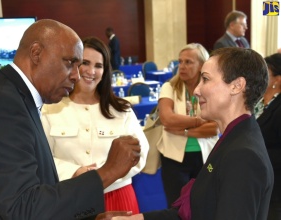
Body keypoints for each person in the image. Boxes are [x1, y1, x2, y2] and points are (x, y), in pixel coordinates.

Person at [0, 19, 141, 220]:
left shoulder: (17, 98)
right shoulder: (2, 105)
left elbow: (36, 191)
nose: (76, 76)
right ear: (36, 53)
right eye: (70, 63)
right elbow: (23, 208)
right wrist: (107, 172)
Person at [112, 47, 274, 220]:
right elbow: (194, 212)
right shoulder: (234, 139)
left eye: (205, 79)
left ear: (236, 86)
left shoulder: (243, 155)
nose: (197, 90)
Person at [41, 36, 149, 214]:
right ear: (74, 65)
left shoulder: (121, 110)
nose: (91, 71)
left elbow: (141, 154)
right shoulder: (50, 109)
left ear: (105, 71)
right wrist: (75, 172)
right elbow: (42, 158)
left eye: (99, 66)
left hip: (117, 197)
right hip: (70, 199)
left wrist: (107, 174)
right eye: (85, 62)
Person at [157, 43, 219, 207]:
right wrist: (199, 121)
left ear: (201, 66)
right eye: (180, 61)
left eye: (188, 62)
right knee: (178, 206)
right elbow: (167, 119)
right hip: (174, 158)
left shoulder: (211, 89)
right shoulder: (169, 87)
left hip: (205, 156)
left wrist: (183, 131)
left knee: (205, 204)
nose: (182, 66)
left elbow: (215, 128)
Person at [254, 53, 281, 220]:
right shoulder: (255, 101)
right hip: (254, 177)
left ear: (277, 80)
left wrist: (260, 156)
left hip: (275, 179)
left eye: (265, 73)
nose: (259, 78)